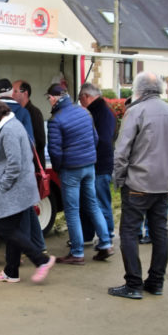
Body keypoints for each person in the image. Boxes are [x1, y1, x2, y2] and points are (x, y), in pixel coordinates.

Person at [109, 72, 168, 299]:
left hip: (138, 183)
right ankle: (156, 282)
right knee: (160, 232)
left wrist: (119, 178)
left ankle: (133, 284)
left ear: (138, 91)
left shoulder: (136, 111)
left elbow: (121, 151)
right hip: (163, 184)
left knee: (129, 233)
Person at [0, 98, 55, 283]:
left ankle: (41, 260)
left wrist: (2, 185)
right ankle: (11, 272)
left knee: (6, 229)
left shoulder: (9, 130)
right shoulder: (13, 124)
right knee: (13, 229)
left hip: (14, 188)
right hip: (20, 187)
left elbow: (14, 163)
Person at [0, 79, 45, 266]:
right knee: (21, 215)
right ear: (12, 93)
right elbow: (30, 143)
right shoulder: (22, 113)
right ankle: (29, 255)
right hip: (17, 176)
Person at [46, 83, 114, 265]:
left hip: (71, 169)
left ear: (55, 98)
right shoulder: (85, 112)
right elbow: (95, 138)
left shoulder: (56, 120)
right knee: (93, 205)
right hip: (89, 166)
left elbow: (54, 151)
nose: (49, 101)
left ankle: (77, 253)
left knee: (72, 211)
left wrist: (59, 168)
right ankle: (106, 244)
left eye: (49, 98)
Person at [78, 82, 117, 242]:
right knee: (90, 202)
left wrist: (89, 155)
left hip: (99, 165)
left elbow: (104, 141)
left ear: (86, 96)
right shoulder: (106, 110)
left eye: (80, 98)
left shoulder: (98, 112)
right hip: (101, 163)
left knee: (100, 202)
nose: (80, 102)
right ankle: (89, 235)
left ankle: (106, 236)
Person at [12, 80, 46, 169]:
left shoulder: (34, 113)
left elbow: (40, 141)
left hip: (34, 167)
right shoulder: (15, 113)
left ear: (25, 93)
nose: (12, 94)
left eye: (15, 91)